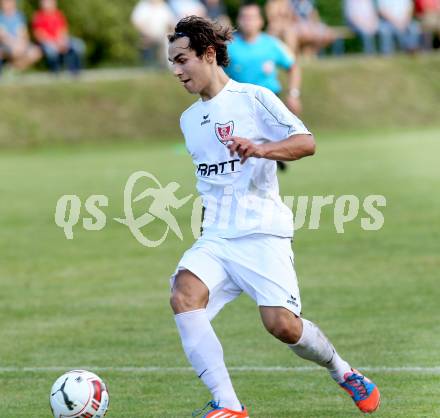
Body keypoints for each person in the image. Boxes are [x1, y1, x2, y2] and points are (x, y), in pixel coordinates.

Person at [167, 15, 381, 418]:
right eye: (172, 63)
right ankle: (229, 406)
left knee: (283, 326)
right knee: (184, 295)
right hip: (217, 235)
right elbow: (209, 179)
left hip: (262, 232)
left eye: (182, 59)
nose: (177, 71)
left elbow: (306, 142)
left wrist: (261, 149)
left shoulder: (254, 98)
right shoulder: (189, 119)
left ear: (208, 53)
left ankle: (342, 370)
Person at [226, 2, 302, 171]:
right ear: (238, 20)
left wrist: (294, 94)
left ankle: (276, 154)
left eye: (253, 17)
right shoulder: (229, 48)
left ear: (261, 21)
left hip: (270, 101)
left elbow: (293, 66)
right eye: (245, 17)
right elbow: (216, 74)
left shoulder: (272, 44)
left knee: (274, 139)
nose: (249, 22)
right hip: (240, 104)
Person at [32, 0, 85, 75]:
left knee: (78, 44)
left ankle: (76, 70)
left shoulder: (58, 14)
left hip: (60, 40)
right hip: (47, 42)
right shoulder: (38, 16)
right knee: (51, 49)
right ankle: (55, 72)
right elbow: (39, 34)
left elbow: (63, 30)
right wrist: (54, 42)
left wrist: (62, 41)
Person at [131, 0, 175, 68]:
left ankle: (168, 65)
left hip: (162, 34)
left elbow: (171, 23)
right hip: (146, 34)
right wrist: (146, 33)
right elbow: (136, 22)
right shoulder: (143, 5)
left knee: (169, 38)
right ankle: (152, 64)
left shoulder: (164, 6)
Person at [0, 0, 41, 72]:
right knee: (16, 50)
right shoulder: (1, 17)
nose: (8, 4)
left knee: (36, 52)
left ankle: (12, 68)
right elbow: (3, 36)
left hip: (20, 43)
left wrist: (23, 43)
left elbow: (24, 33)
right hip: (6, 45)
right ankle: (11, 69)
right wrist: (14, 44)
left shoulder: (19, 16)